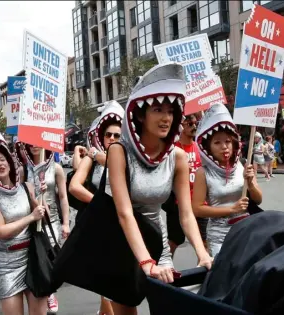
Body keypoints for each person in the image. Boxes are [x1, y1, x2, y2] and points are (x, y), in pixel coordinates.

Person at [106, 63, 212, 314]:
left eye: (171, 111)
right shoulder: (118, 152)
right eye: (157, 110)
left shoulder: (177, 157)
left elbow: (186, 213)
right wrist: (145, 261)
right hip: (123, 244)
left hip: (158, 243)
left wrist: (202, 253)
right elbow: (124, 213)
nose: (166, 118)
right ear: (141, 115)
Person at [0, 124, 47, 315]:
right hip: (7, 262)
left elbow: (41, 218)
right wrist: (31, 216)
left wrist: (41, 196)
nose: (0, 164)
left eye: (2, 159)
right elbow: (0, 231)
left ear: (9, 160)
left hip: (33, 257)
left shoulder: (27, 187)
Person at [69, 100, 124, 315]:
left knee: (121, 283)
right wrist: (101, 203)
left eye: (117, 135)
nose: (111, 138)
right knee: (107, 278)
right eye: (108, 134)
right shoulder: (93, 157)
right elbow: (75, 186)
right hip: (102, 224)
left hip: (126, 225)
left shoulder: (129, 159)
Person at [192, 103, 263, 258]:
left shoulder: (242, 165)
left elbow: (258, 200)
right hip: (219, 237)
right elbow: (197, 209)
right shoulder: (202, 173)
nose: (224, 147)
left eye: (228, 142)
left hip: (245, 231)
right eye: (217, 142)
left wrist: (250, 183)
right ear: (208, 147)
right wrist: (232, 210)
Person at [23, 143, 70, 314]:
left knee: (51, 258)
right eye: (30, 144)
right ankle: (44, 293)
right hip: (33, 220)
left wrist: (66, 223)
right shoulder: (23, 169)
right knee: (38, 257)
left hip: (53, 221)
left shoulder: (56, 168)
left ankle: (50, 292)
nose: (34, 147)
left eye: (37, 143)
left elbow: (63, 197)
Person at [162, 113, 208, 255]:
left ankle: (203, 273)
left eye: (195, 124)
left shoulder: (200, 148)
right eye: (190, 124)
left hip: (200, 204)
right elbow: (162, 175)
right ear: (181, 126)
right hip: (179, 204)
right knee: (174, 241)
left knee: (205, 244)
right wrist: (179, 170)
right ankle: (164, 268)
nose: (194, 127)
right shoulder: (172, 149)